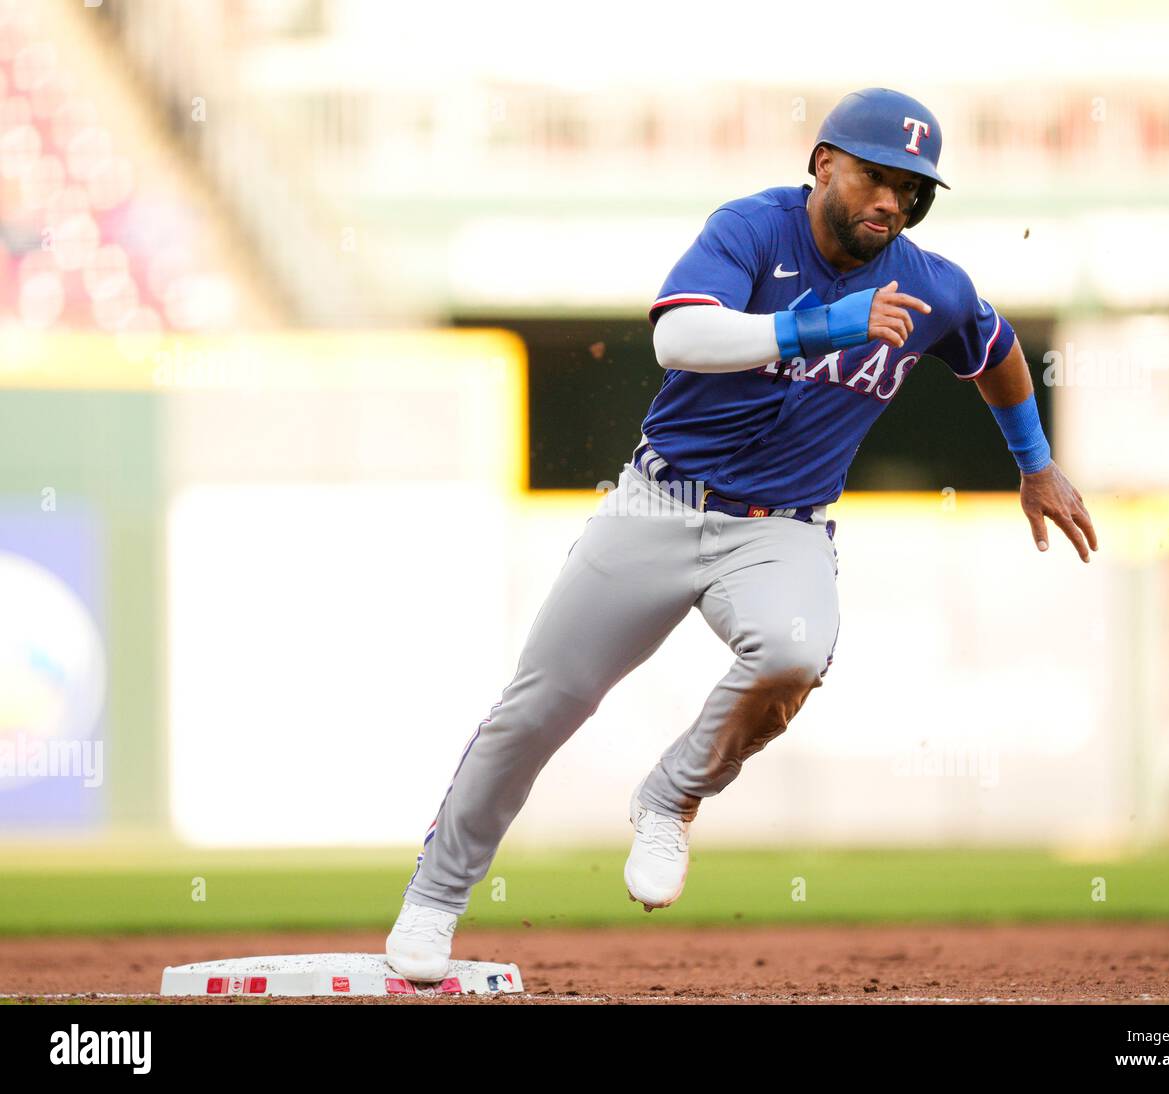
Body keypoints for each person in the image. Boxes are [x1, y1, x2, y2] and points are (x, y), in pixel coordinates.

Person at [384, 87, 1098, 981]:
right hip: (658, 505)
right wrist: (823, 324)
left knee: (795, 654)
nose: (892, 201)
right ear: (823, 163)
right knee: (540, 706)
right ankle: (435, 901)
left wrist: (1033, 461)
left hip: (784, 530)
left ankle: (670, 795)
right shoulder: (753, 229)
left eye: (911, 189)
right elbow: (679, 337)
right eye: (876, 176)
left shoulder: (930, 284)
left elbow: (993, 350)